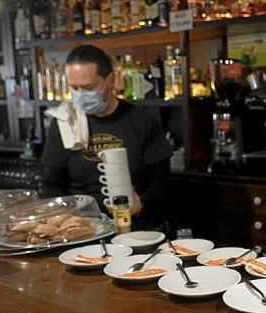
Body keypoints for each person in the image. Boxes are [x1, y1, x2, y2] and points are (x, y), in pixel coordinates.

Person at [41, 45, 172, 230]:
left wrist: (141, 204)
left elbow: (162, 181)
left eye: (88, 87)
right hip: (81, 230)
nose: (79, 95)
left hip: (135, 228)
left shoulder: (140, 120)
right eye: (74, 88)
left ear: (110, 80)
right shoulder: (65, 122)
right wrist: (66, 219)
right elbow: (51, 183)